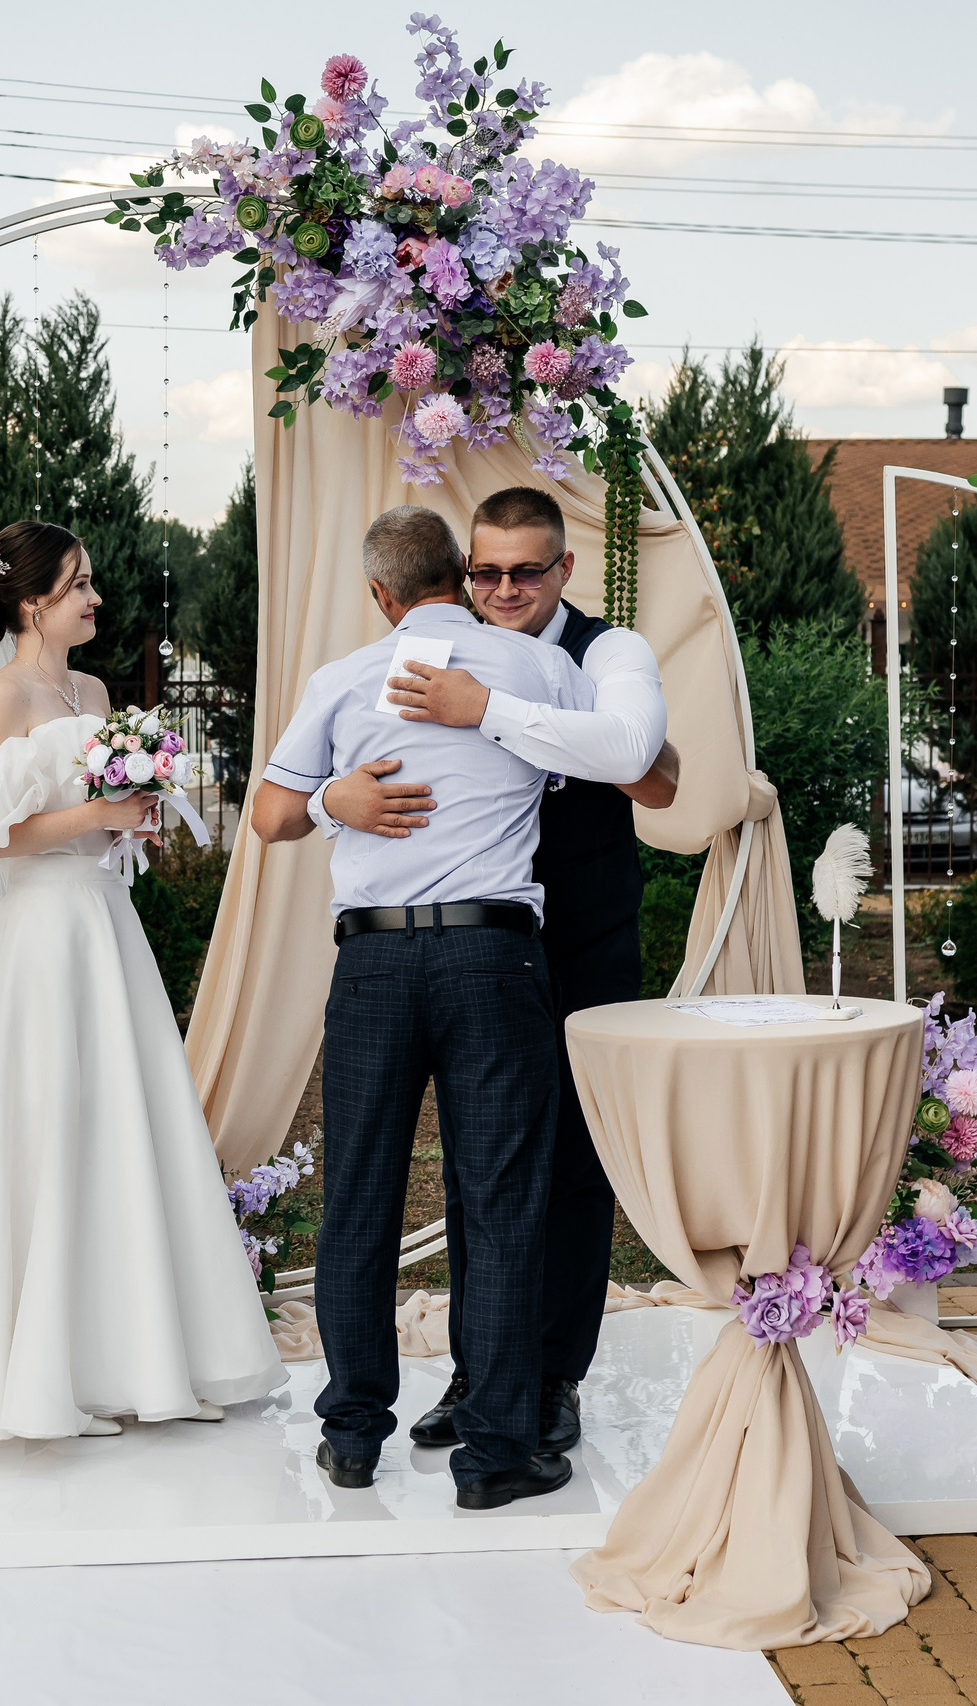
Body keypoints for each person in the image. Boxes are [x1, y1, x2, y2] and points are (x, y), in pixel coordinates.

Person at [247, 505, 646, 1510]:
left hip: (372, 961)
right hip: (492, 957)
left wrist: (333, 799)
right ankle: (497, 1453)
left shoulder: (343, 678)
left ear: (380, 595)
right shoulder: (538, 667)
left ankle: (351, 1433)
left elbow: (269, 815)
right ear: (463, 576)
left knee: (360, 1195)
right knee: (503, 1198)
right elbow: (634, 765)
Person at [0, 521, 285, 1444]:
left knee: (126, 1120)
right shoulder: (0, 698)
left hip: (104, 922)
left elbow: (96, 819)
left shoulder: (91, 692)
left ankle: (144, 1363)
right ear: (31, 602)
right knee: (53, 1125)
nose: (95, 598)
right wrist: (94, 814)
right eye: (79, 584)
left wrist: (128, 822)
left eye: (90, 582)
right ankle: (52, 1380)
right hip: (42, 932)